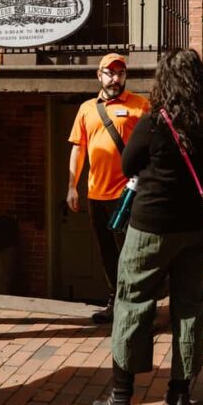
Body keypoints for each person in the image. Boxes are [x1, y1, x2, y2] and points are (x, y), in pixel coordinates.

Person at [92, 49, 203, 405]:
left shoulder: (156, 120)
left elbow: (128, 163)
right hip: (198, 227)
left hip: (151, 225)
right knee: (189, 305)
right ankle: (180, 393)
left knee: (133, 302)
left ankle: (120, 398)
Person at [67, 53, 150, 324]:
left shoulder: (141, 106)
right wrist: (72, 187)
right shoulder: (87, 108)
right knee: (107, 253)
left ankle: (137, 308)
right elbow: (78, 149)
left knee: (132, 255)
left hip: (127, 195)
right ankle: (115, 303)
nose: (115, 79)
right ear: (99, 75)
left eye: (121, 73)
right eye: (110, 73)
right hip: (95, 194)